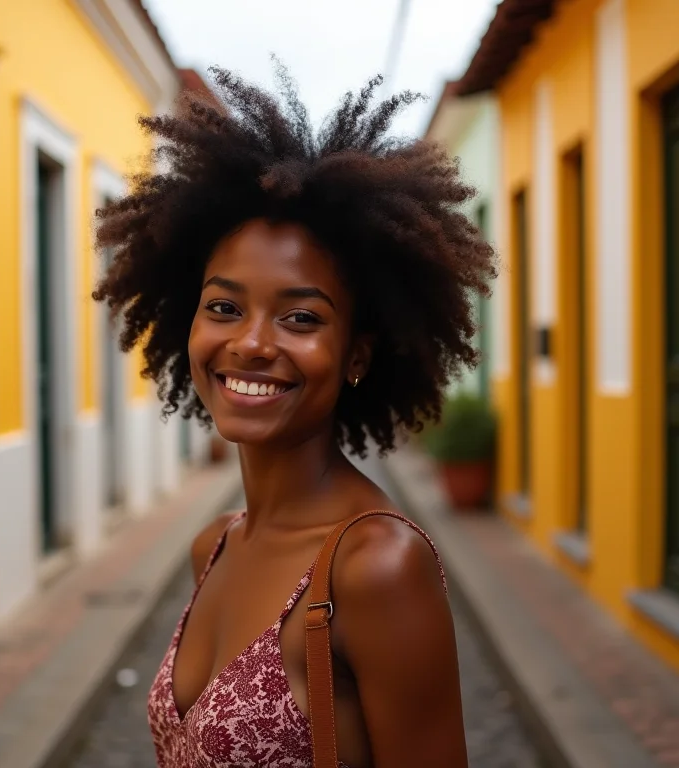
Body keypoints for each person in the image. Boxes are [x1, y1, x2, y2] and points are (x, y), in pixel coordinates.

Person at [93, 64, 495, 768]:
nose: (249, 343)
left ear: (357, 356)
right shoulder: (214, 545)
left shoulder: (376, 566)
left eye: (301, 317)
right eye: (223, 307)